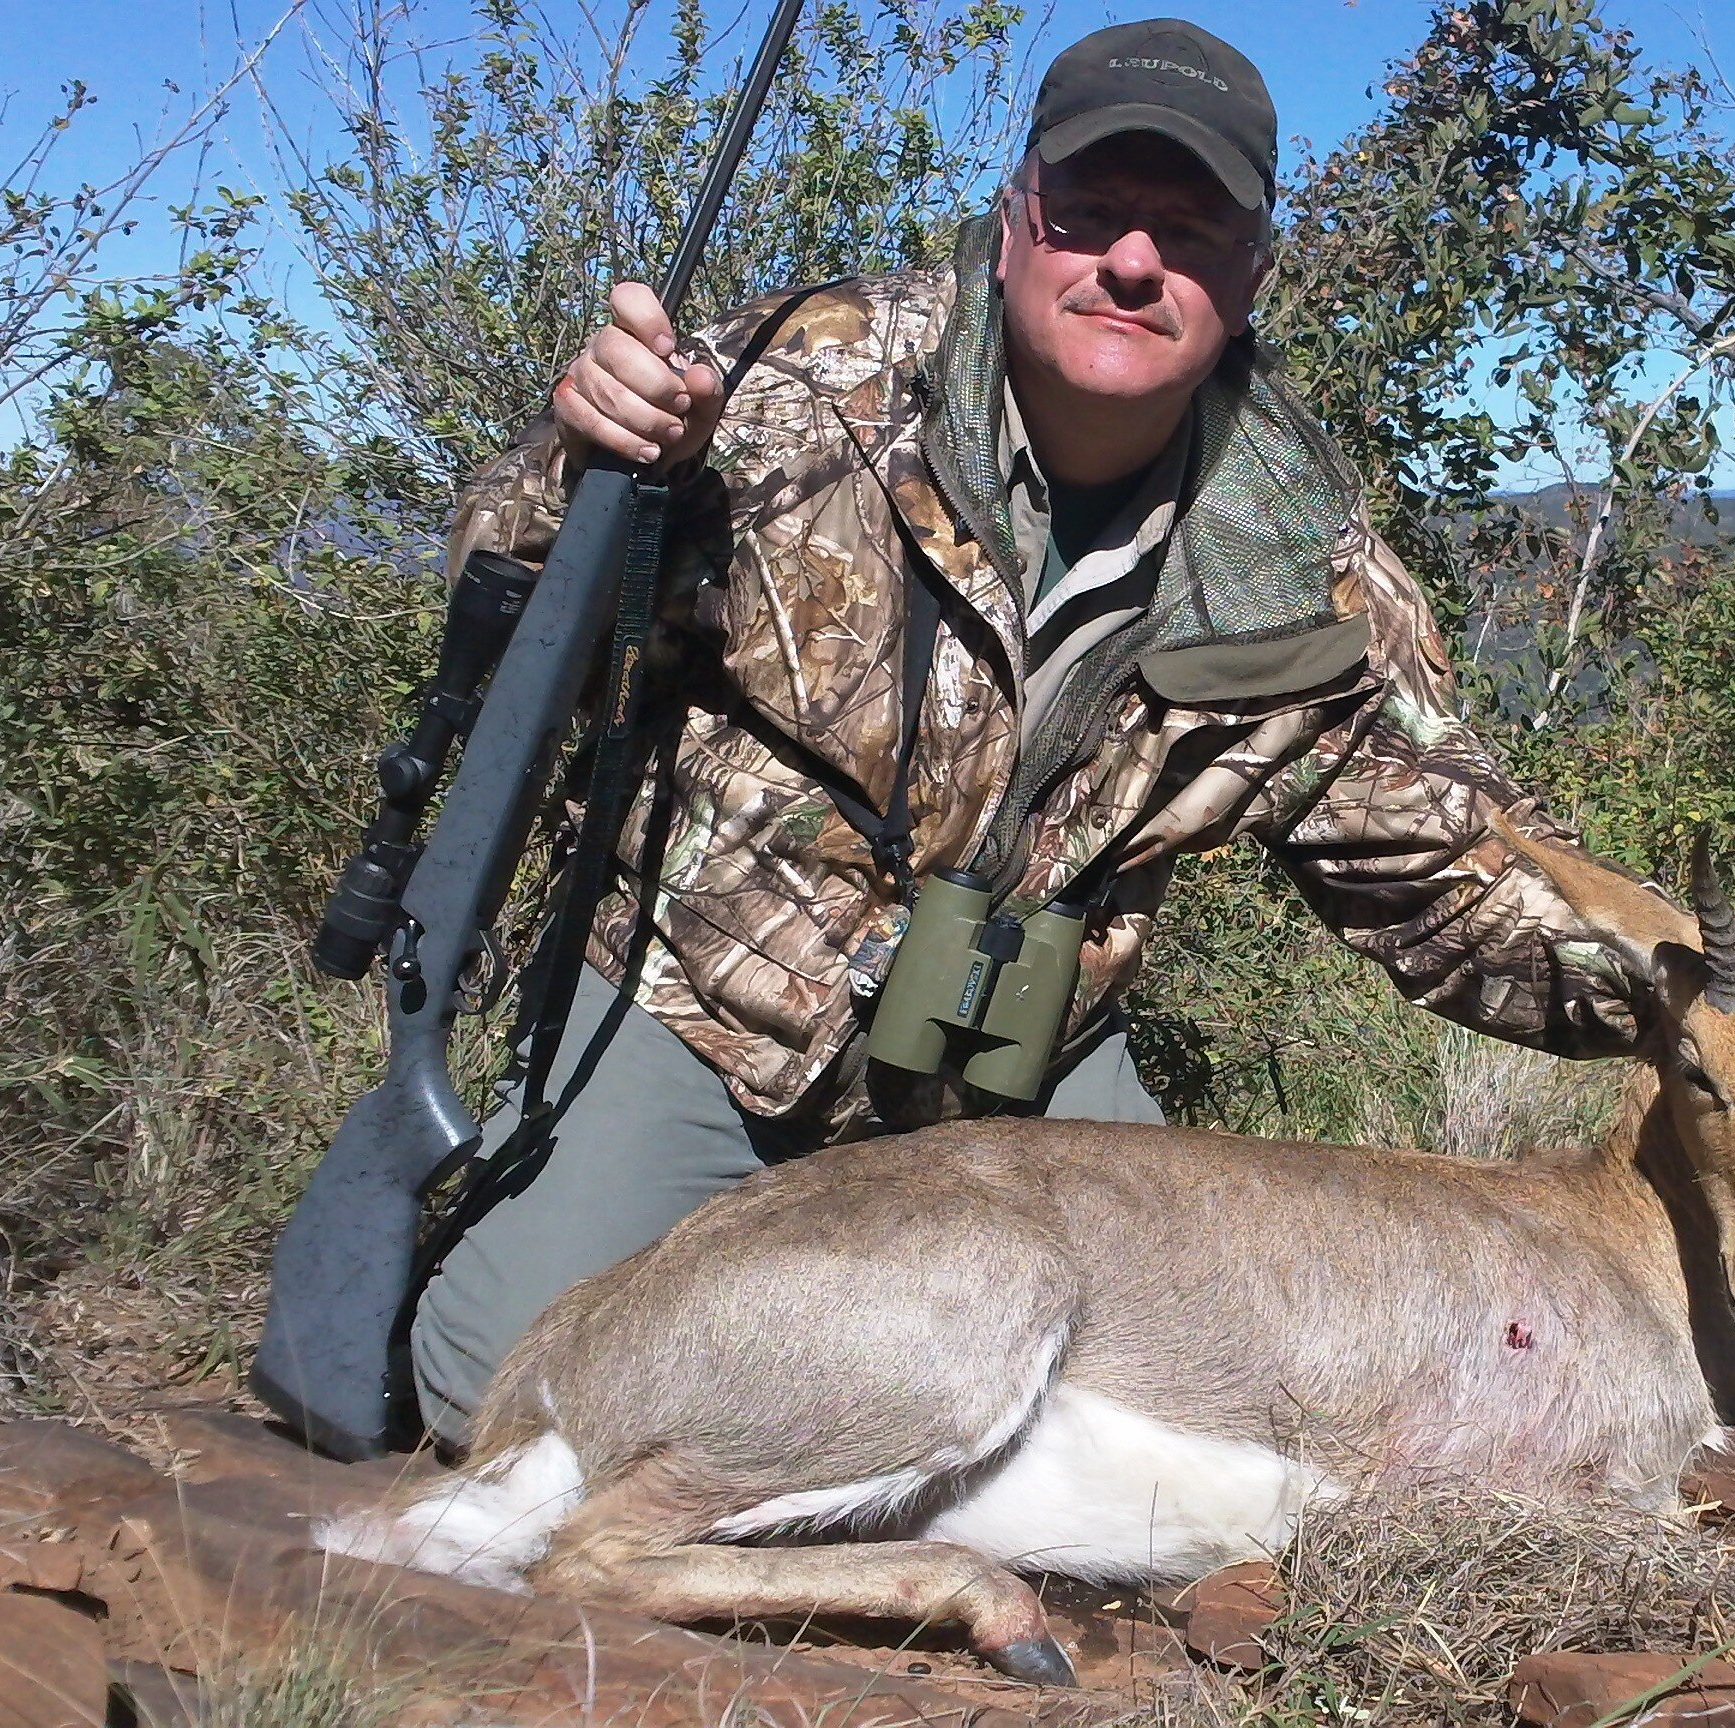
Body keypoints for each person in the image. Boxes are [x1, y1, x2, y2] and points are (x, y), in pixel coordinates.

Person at [408, 17, 1657, 1450]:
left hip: (1021, 1075)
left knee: (1226, 1408)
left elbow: (1456, 874)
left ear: (1250, 277)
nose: (1133, 261)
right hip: (713, 1024)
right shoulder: (796, 383)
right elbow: (512, 630)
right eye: (1092, 213)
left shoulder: (1310, 570)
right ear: (1014, 223)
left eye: (1190, 230)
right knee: (518, 1402)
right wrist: (583, 465)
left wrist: (1712, 994)